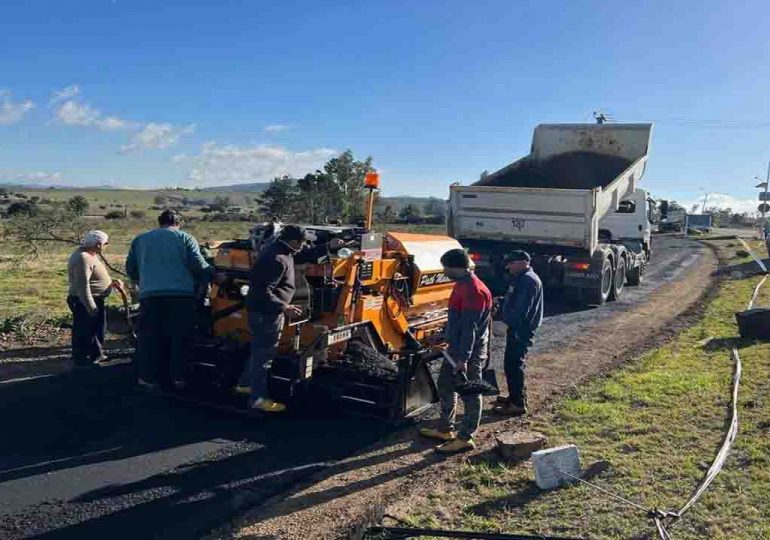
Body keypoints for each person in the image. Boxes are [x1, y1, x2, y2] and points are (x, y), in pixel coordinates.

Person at [242, 225, 343, 412]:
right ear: (294, 241)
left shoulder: (282, 251)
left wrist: (329, 246)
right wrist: (284, 307)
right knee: (264, 355)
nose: (304, 245)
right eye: (303, 242)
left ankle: (245, 385)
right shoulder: (275, 259)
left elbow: (305, 255)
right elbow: (261, 290)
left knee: (258, 350)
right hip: (266, 313)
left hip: (265, 311)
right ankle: (257, 399)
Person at [126, 210, 218, 391]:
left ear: (159, 222)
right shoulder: (185, 238)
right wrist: (215, 274)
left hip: (149, 296)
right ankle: (179, 378)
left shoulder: (140, 239)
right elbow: (198, 265)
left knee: (150, 338)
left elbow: (131, 269)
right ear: (179, 223)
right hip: (181, 297)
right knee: (180, 337)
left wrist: (145, 280)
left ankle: (148, 378)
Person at [419, 248, 493, 454]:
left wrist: (463, 358)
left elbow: (470, 327)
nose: (444, 271)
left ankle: (466, 437)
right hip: (455, 348)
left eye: (445, 268)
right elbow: (458, 321)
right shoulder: (462, 285)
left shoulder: (473, 290)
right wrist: (444, 335)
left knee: (470, 392)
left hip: (467, 352)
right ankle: (445, 429)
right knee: (445, 385)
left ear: (454, 267)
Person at [493, 250, 543, 416]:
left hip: (521, 329)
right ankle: (515, 396)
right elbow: (515, 301)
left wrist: (507, 324)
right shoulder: (521, 278)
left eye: (511, 263)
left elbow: (522, 309)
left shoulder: (528, 281)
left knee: (514, 365)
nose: (508, 267)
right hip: (518, 327)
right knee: (512, 364)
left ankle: (518, 403)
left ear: (524, 262)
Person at [67, 230, 122, 368]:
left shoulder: (90, 255)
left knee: (95, 331)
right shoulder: (83, 258)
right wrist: (91, 307)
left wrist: (111, 282)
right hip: (85, 300)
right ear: (98, 245)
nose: (106, 246)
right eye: (105, 243)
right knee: (86, 332)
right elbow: (82, 285)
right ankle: (85, 364)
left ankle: (95, 356)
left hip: (91, 299)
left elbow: (93, 279)